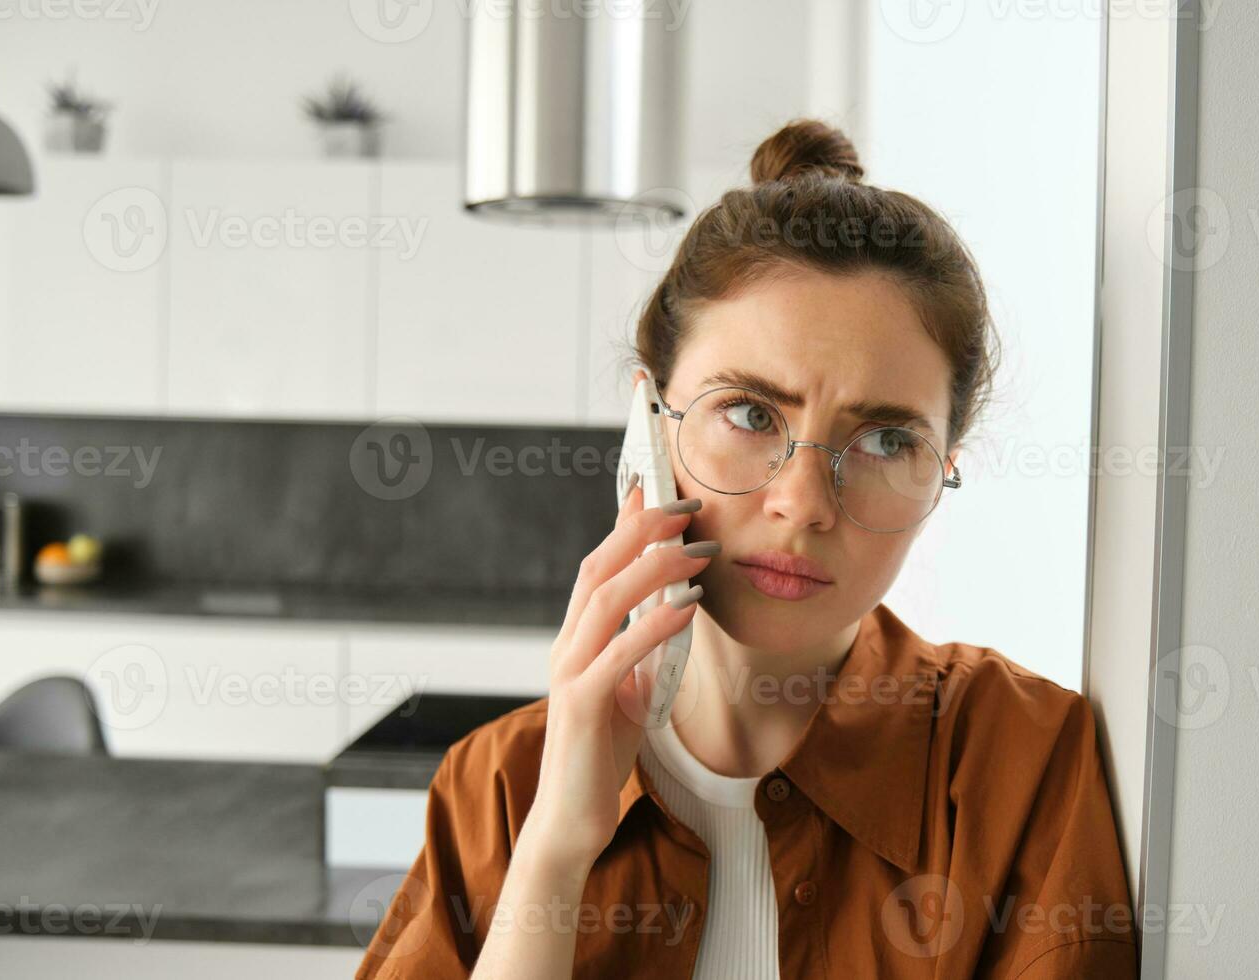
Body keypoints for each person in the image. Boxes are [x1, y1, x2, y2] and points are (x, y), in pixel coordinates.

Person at [355, 119, 1136, 979]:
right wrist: (554, 852)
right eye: (752, 414)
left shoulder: (1024, 765)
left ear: (943, 469)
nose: (802, 505)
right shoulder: (497, 790)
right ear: (647, 427)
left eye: (884, 443)